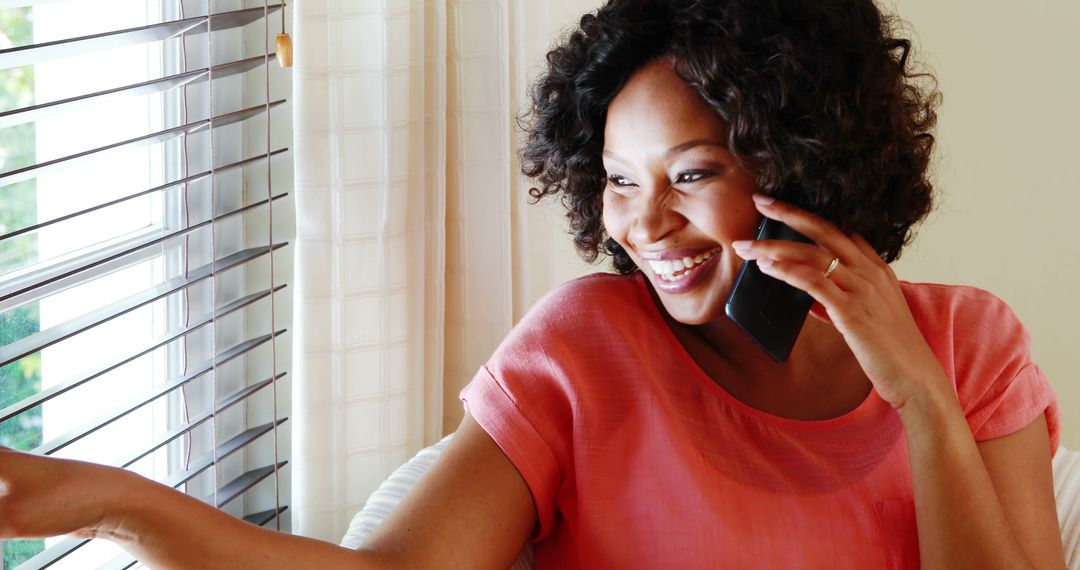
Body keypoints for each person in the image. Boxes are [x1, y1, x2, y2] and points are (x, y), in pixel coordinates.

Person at [0, 0, 1067, 567]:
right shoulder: (588, 349)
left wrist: (921, 399)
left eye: (693, 176)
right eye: (614, 182)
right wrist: (107, 503)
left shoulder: (970, 348)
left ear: (801, 164)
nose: (643, 225)